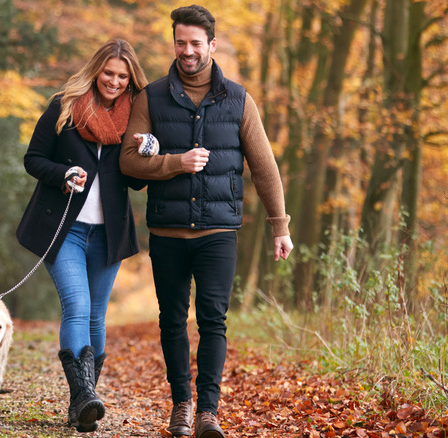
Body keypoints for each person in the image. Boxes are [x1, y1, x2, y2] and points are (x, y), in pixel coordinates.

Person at [119, 5, 294, 438]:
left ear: (212, 45)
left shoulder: (238, 99)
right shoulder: (151, 98)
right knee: (172, 320)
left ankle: (208, 413)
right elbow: (127, 163)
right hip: (166, 231)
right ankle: (181, 406)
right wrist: (176, 163)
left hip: (218, 232)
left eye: (196, 43)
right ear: (174, 43)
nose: (188, 51)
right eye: (181, 42)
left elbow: (265, 167)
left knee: (213, 321)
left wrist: (281, 226)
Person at [16, 39, 148, 433]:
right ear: (96, 70)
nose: (114, 81)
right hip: (65, 228)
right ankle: (84, 397)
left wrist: (145, 152)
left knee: (96, 315)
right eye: (109, 73)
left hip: (109, 234)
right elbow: (33, 158)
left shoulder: (136, 119)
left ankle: (82, 402)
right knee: (76, 305)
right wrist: (63, 174)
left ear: (130, 80)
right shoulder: (65, 106)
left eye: (123, 76)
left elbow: (137, 184)